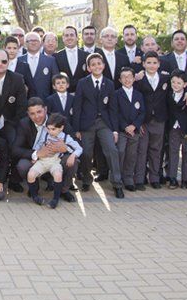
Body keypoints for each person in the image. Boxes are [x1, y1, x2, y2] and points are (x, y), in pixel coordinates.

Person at [72, 53, 123, 198]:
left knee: (112, 150)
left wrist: (114, 130)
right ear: (88, 68)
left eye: (99, 63)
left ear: (104, 65)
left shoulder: (109, 83)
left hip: (104, 123)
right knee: (87, 153)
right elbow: (77, 106)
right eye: (93, 64)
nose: (96, 66)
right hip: (87, 124)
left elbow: (113, 109)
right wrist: (77, 129)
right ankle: (87, 180)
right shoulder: (83, 83)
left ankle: (117, 183)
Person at [25, 112, 81, 208]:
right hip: (42, 161)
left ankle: (55, 199)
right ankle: (35, 196)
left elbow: (79, 148)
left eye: (53, 129)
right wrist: (36, 155)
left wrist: (73, 155)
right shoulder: (45, 135)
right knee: (30, 175)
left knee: (58, 175)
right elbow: (38, 145)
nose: (50, 131)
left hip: (55, 161)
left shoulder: (66, 138)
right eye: (48, 129)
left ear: (61, 128)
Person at [134, 52, 171, 188]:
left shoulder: (165, 78)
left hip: (159, 119)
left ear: (159, 64)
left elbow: (183, 82)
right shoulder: (138, 80)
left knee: (156, 149)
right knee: (142, 150)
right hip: (144, 121)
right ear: (143, 64)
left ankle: (154, 177)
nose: (151, 65)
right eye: (148, 62)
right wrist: (137, 122)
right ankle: (139, 178)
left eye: (154, 63)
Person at [166, 70, 187, 189]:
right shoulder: (169, 93)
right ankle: (172, 178)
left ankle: (186, 178)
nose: (175, 85)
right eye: (173, 82)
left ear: (185, 84)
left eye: (179, 83)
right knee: (173, 153)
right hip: (173, 128)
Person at [117, 67, 145, 192]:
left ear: (134, 79)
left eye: (129, 76)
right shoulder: (116, 94)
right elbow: (115, 113)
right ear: (120, 79)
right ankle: (118, 177)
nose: (127, 79)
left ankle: (128, 178)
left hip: (134, 130)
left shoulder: (139, 94)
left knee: (131, 154)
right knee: (121, 152)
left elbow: (142, 112)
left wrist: (134, 125)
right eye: (124, 77)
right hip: (122, 130)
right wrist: (125, 126)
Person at [16, 32, 59, 99]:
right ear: (25, 43)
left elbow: (56, 83)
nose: (33, 43)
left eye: (36, 40)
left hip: (45, 102)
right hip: (24, 102)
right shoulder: (18, 60)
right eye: (30, 40)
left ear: (40, 43)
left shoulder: (50, 61)